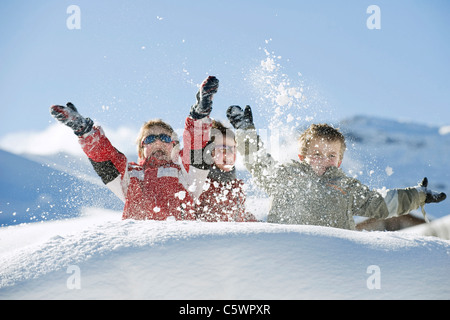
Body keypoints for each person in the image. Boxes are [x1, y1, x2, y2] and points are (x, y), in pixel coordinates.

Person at [226, 105, 447, 230]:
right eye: (316, 154)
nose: (324, 159)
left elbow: (380, 204)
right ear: (303, 156)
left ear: (340, 160)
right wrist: (246, 130)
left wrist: (418, 195)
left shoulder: (346, 187)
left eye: (331, 155)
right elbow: (258, 162)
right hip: (285, 253)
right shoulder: (285, 176)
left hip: (335, 259)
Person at [49, 76, 219, 221]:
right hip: (140, 249)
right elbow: (106, 158)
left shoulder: (184, 172)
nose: (158, 142)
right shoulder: (129, 176)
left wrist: (199, 115)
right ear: (140, 149)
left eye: (165, 138)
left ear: (175, 146)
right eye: (151, 138)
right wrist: (85, 132)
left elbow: (196, 149)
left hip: (180, 247)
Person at [195, 120, 257, 222]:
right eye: (223, 149)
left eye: (233, 149)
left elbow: (237, 218)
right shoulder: (202, 183)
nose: (229, 154)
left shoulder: (235, 186)